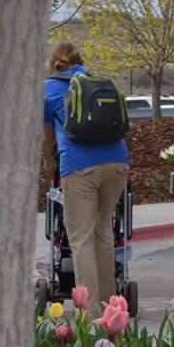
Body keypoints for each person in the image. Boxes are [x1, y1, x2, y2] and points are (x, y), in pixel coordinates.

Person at [42, 41, 130, 304]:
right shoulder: (98, 81)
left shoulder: (49, 89)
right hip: (117, 163)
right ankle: (110, 309)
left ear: (53, 62)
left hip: (79, 167)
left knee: (81, 241)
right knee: (104, 233)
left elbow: (47, 138)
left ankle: (89, 316)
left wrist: (48, 162)